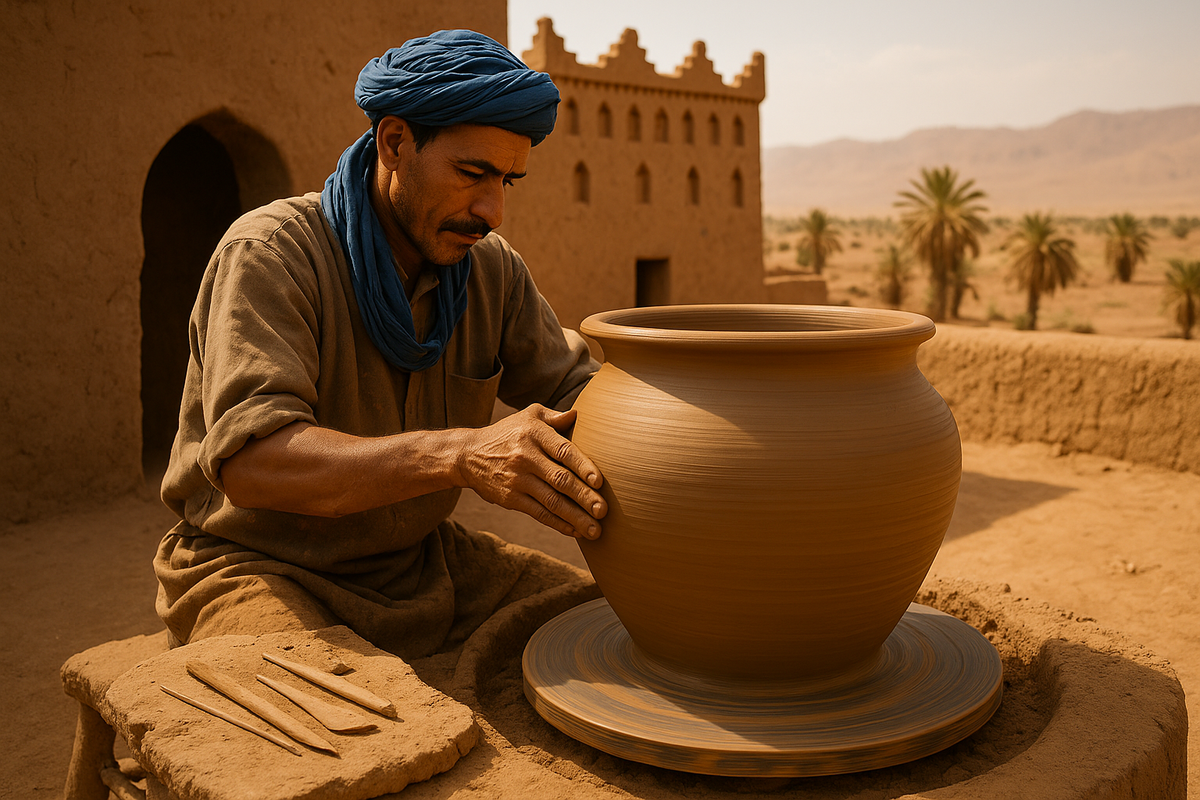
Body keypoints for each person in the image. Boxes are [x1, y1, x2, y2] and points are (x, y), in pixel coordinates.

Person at [153, 30, 607, 659]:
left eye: (509, 181)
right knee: (351, 730)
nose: (493, 209)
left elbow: (580, 395)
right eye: (472, 173)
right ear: (395, 142)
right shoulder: (272, 254)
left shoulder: (489, 269)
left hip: (421, 568)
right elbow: (254, 465)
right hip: (258, 570)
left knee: (608, 628)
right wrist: (461, 454)